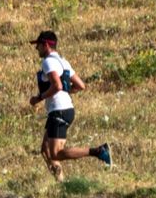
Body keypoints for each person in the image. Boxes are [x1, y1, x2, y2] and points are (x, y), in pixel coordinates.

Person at [29, 29, 112, 180]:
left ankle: (98, 151)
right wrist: (65, 93)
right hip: (64, 108)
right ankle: (61, 183)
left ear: (46, 45)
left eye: (39, 45)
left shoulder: (48, 62)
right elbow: (80, 85)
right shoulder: (63, 61)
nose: (36, 48)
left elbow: (57, 86)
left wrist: (39, 98)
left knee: (56, 153)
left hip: (59, 111)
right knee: (45, 150)